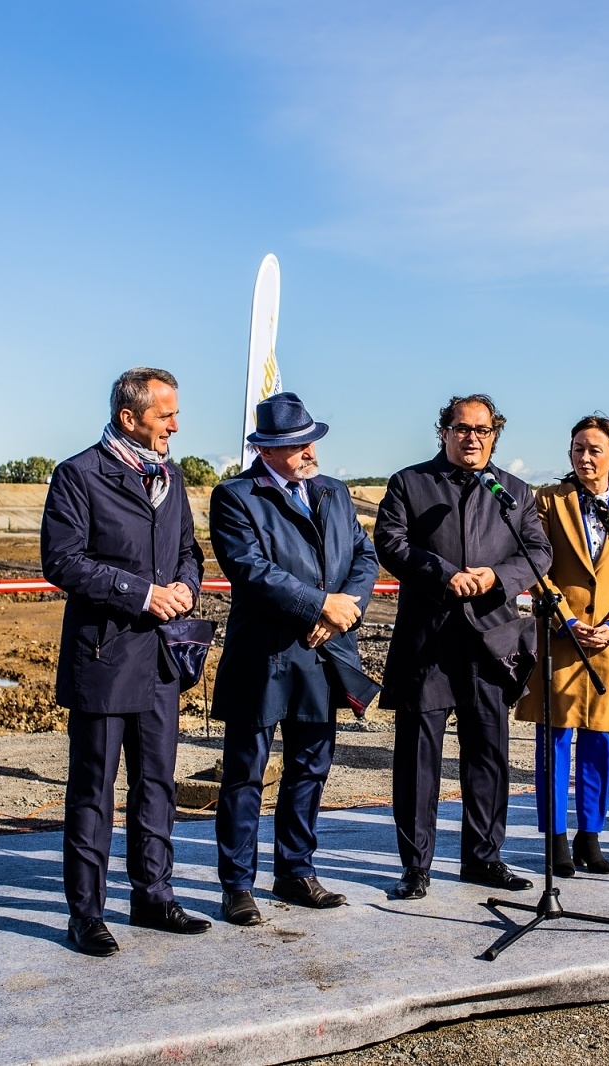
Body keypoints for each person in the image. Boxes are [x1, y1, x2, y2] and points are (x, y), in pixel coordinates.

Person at [42, 367, 213, 957]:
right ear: (129, 418)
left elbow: (188, 549)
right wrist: (141, 593)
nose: (175, 424)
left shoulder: (172, 477)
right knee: (94, 789)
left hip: (164, 658)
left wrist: (187, 587)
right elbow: (62, 562)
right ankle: (85, 914)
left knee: (156, 785)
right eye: (166, 414)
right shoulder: (78, 476)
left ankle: (154, 896)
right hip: (106, 657)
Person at [208, 393, 380, 926]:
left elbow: (364, 556)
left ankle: (296, 870)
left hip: (322, 652)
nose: (310, 451)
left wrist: (341, 613)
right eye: (297, 444)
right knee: (245, 775)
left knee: (310, 767)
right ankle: (237, 885)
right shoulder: (236, 496)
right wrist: (318, 605)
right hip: (265, 656)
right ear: (265, 449)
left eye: (311, 441)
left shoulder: (334, 493)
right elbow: (251, 570)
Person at [375, 394, 551, 900]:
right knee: (418, 759)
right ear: (444, 432)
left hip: (492, 641)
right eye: (461, 428)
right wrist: (444, 575)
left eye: (482, 429)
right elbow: (391, 542)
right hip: (428, 641)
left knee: (489, 755)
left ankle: (483, 857)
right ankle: (416, 867)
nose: (471, 437)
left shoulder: (513, 492)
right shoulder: (410, 483)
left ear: (494, 434)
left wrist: (497, 577)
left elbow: (538, 552)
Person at [513, 415, 609, 877]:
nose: (584, 456)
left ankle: (590, 833)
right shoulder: (550, 501)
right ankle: (554, 837)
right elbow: (536, 566)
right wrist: (565, 618)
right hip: (560, 637)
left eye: (594, 449)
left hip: (608, 645)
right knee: (554, 740)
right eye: (577, 448)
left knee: (600, 741)